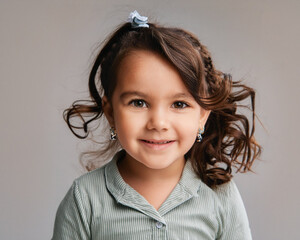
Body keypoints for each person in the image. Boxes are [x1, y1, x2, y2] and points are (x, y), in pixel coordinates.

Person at [52, 10, 261, 240]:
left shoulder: (220, 194)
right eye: (139, 102)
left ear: (202, 115)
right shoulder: (85, 198)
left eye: (179, 104)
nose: (158, 123)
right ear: (110, 112)